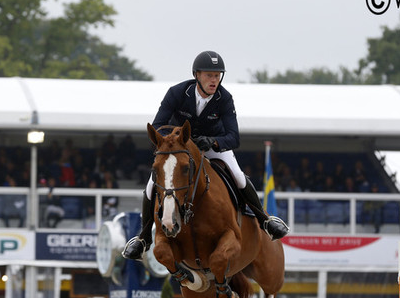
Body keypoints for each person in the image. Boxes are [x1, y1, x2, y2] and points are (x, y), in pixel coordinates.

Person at [122, 50, 289, 259]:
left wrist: (214, 141)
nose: (214, 80)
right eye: (209, 75)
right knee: (150, 186)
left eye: (217, 75)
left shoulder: (225, 98)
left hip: (212, 146)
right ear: (197, 75)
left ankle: (265, 220)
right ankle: (143, 237)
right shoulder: (176, 93)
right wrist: (174, 139)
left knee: (238, 176)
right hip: (179, 146)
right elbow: (157, 126)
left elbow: (234, 137)